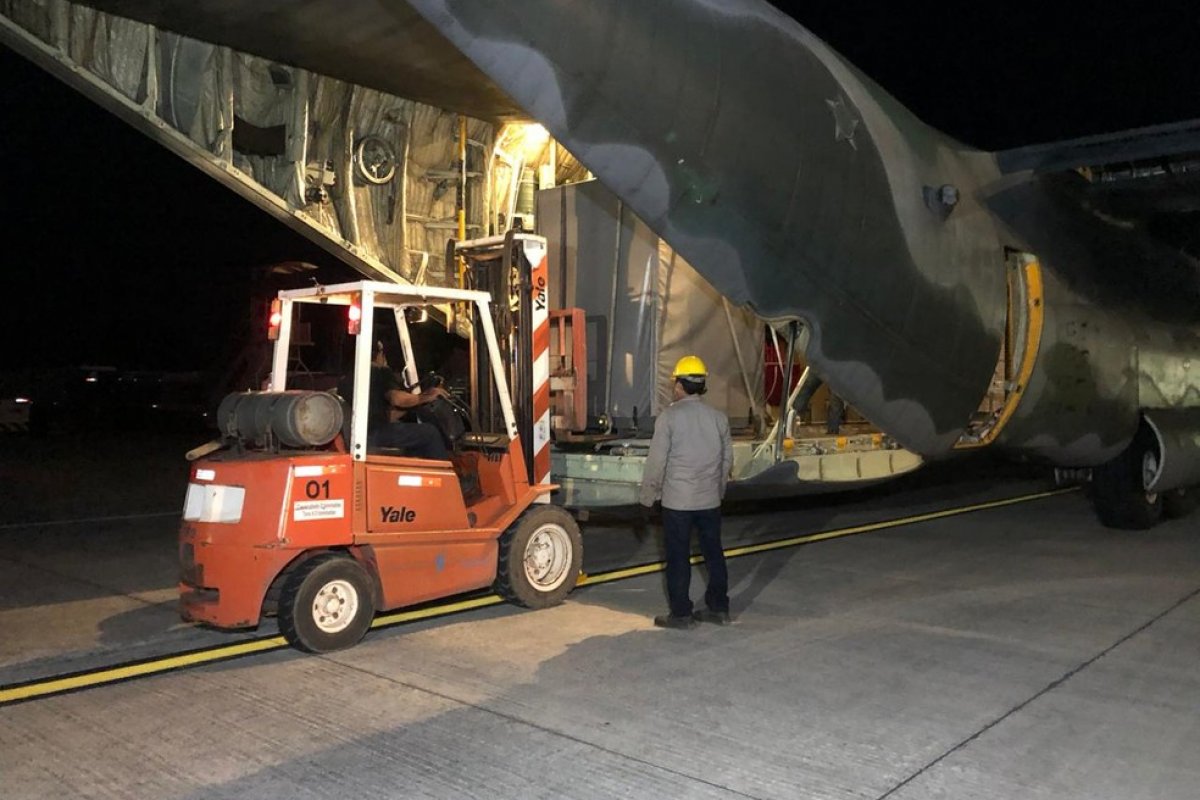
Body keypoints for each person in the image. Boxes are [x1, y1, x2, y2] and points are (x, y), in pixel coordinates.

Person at [639, 355, 734, 629]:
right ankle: (719, 608)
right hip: (709, 502)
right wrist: (718, 492)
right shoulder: (718, 418)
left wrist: (647, 499)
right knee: (713, 554)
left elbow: (656, 462)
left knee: (678, 557)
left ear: (680, 385)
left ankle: (682, 614)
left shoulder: (669, 418)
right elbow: (726, 461)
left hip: (678, 504)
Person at [363, 341, 452, 460]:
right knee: (430, 432)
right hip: (374, 434)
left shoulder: (350, 378)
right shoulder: (379, 372)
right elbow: (396, 399)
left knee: (413, 435)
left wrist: (414, 405)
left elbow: (386, 415)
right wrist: (424, 398)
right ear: (379, 354)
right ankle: (444, 474)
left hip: (366, 434)